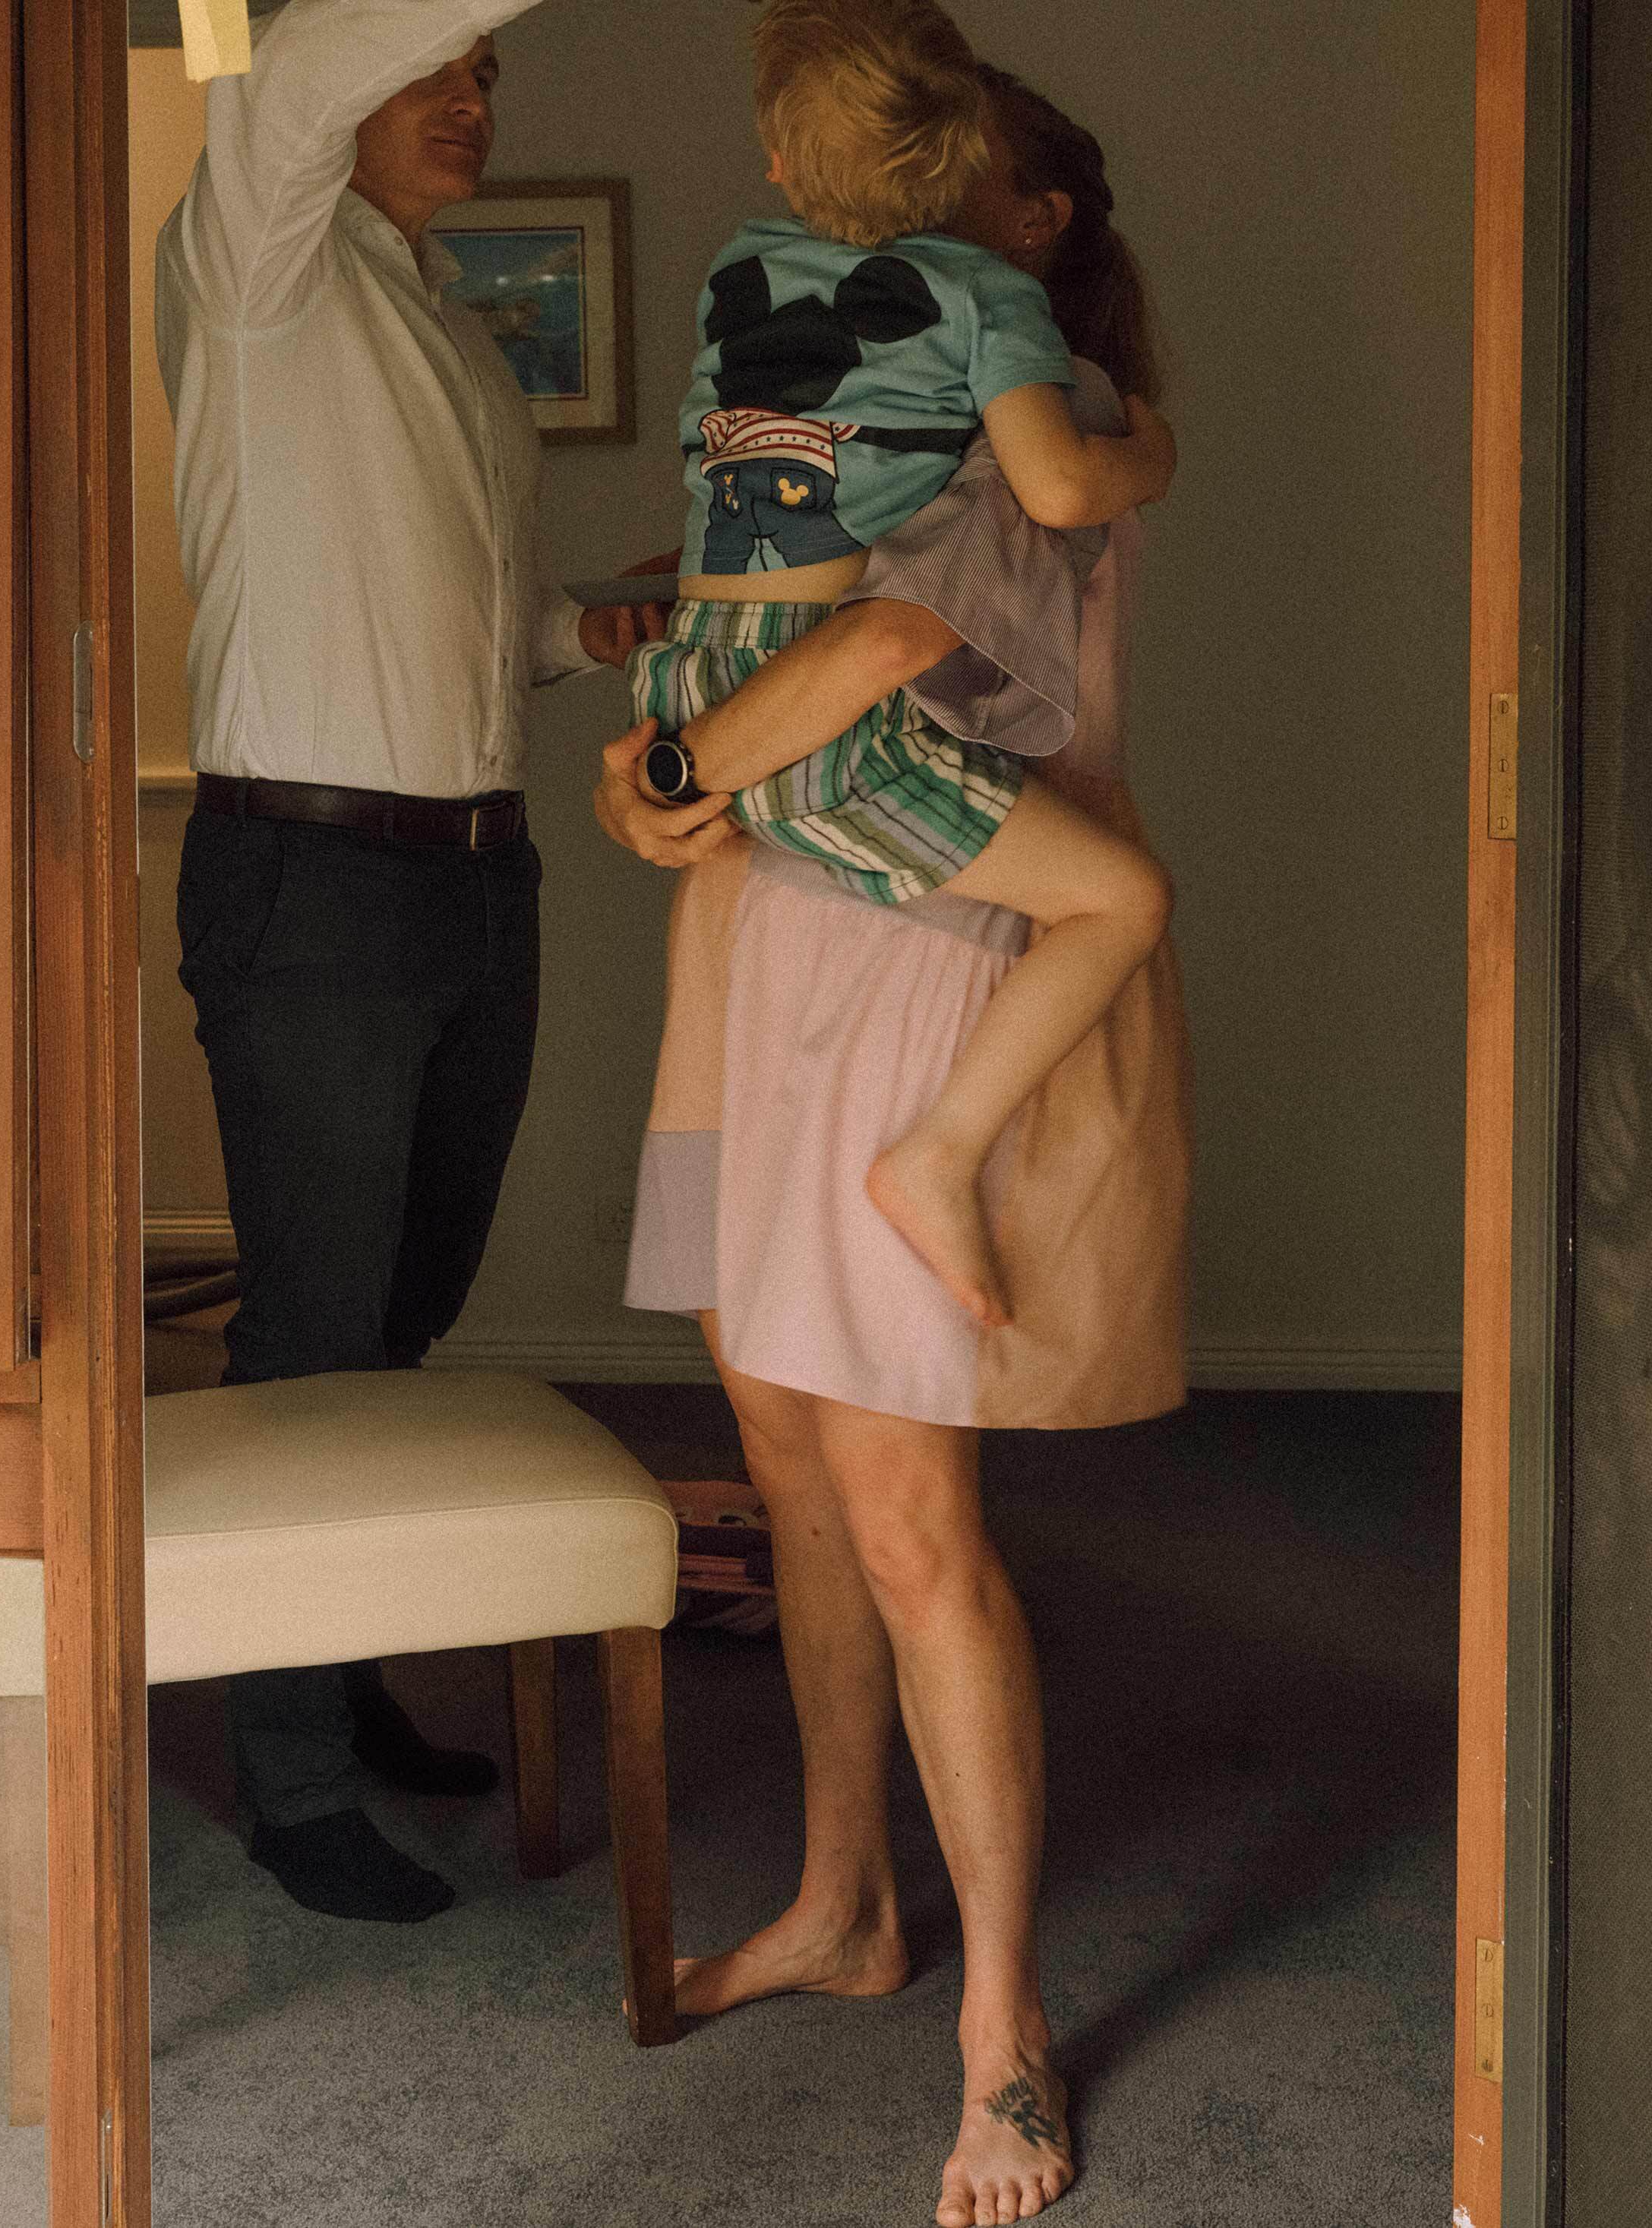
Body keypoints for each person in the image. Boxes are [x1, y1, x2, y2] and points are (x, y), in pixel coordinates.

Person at [596, 62, 1188, 2228]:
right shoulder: (881, 367)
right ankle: (849, 1894)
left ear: (1038, 213)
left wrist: (663, 756)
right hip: (767, 944)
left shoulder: (1039, 411)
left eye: (970, 181)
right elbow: (729, 658)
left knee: (909, 1502)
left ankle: (1000, 2030)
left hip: (925, 942)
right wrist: (666, 768)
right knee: (785, 1454)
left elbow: (875, 647)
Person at [156, 0, 662, 1925]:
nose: (471, 96)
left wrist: (588, 628)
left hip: (470, 874)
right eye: (441, 67)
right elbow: (290, 70)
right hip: (313, 875)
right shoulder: (256, 245)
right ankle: (286, 1780)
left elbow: (463, 612)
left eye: (486, 77)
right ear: (335, 93)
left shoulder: (434, 318)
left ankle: (342, 1661)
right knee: (312, 1327)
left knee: (403, 1309)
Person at [625, 0, 1174, 1332]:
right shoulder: (988, 300)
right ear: (952, 159)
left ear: (775, 159)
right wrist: (1148, 455)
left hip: (694, 670)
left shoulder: (737, 266)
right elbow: (1049, 489)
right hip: (821, 705)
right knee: (1121, 903)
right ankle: (934, 1154)